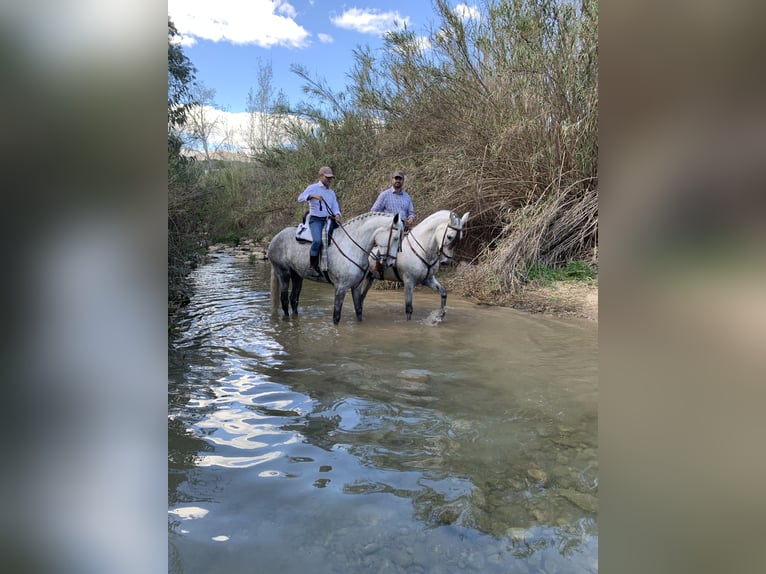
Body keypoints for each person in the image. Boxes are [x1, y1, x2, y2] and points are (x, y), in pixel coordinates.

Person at [298, 166, 342, 275]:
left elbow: (335, 206)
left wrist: (337, 214)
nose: (329, 180)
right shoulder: (313, 187)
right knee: (317, 241)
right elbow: (300, 198)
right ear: (321, 176)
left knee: (341, 238)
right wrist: (311, 196)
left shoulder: (331, 192)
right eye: (327, 177)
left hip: (329, 220)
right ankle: (313, 266)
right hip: (315, 220)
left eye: (331, 178)